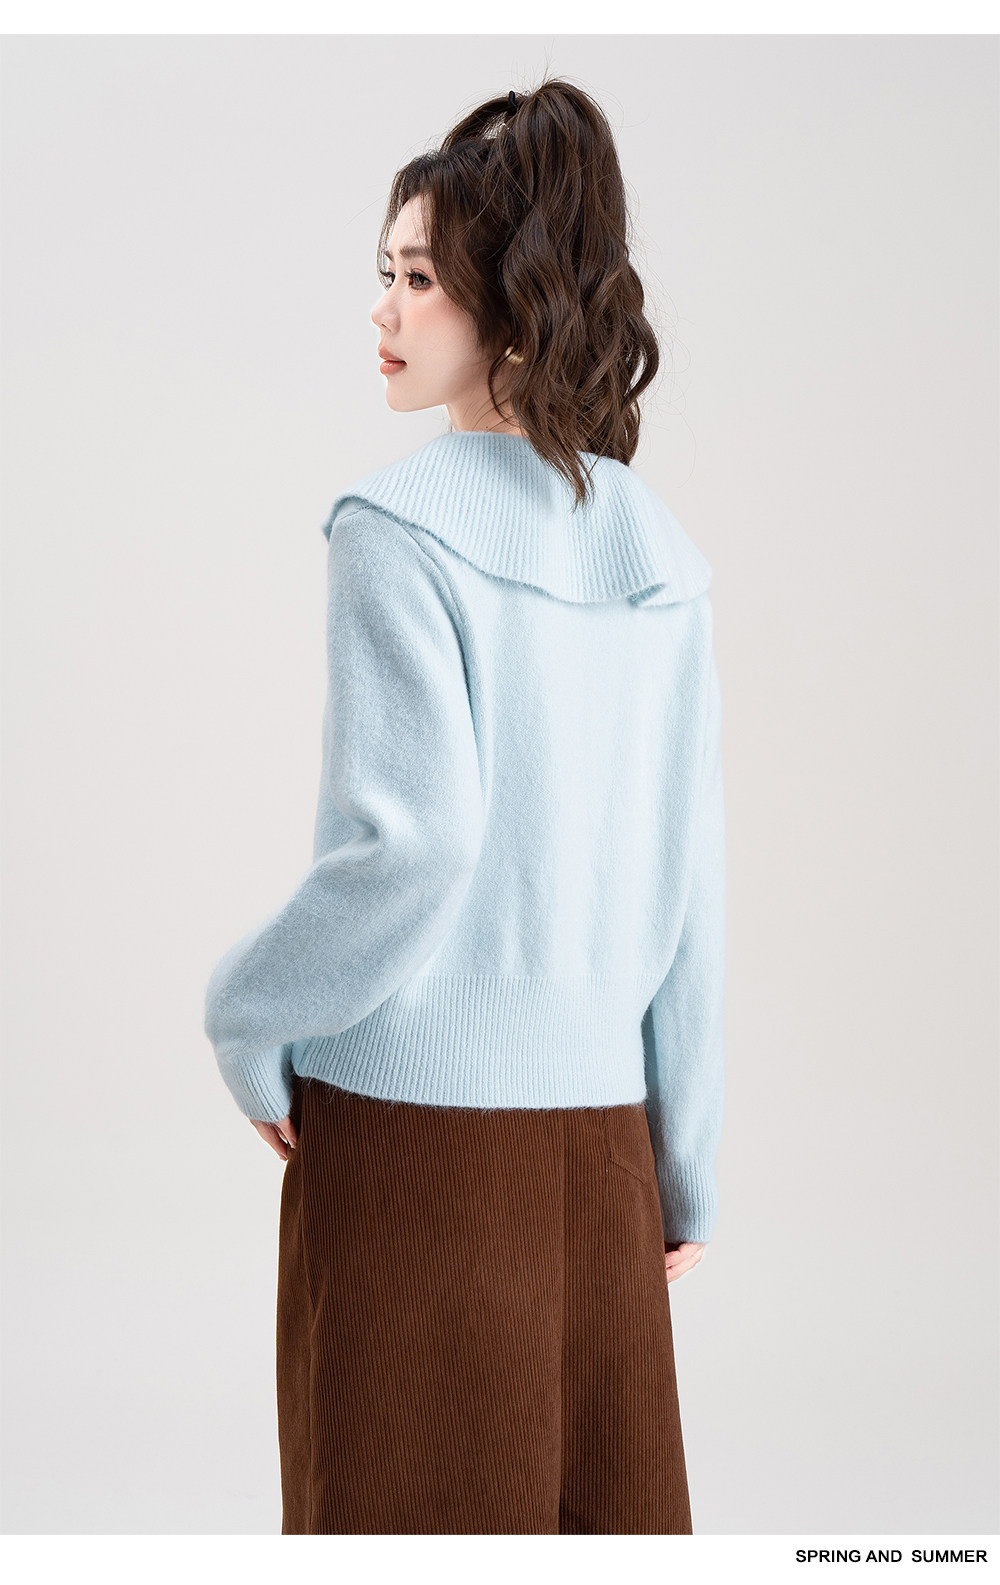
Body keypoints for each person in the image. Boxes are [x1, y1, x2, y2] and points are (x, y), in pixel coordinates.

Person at [203, 77, 726, 1537]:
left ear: (512, 298)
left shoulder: (396, 529)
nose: (383, 311)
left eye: (419, 279)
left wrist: (243, 1014)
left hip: (419, 1151)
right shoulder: (662, 553)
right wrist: (685, 1166)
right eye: (384, 273)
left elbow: (410, 845)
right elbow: (690, 880)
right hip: (608, 1157)